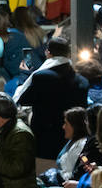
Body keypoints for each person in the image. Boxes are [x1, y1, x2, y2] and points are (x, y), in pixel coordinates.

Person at [14, 37, 88, 170]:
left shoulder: (41, 77)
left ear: (48, 53)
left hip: (45, 144)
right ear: (68, 54)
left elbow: (23, 100)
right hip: (72, 144)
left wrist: (25, 75)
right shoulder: (82, 81)